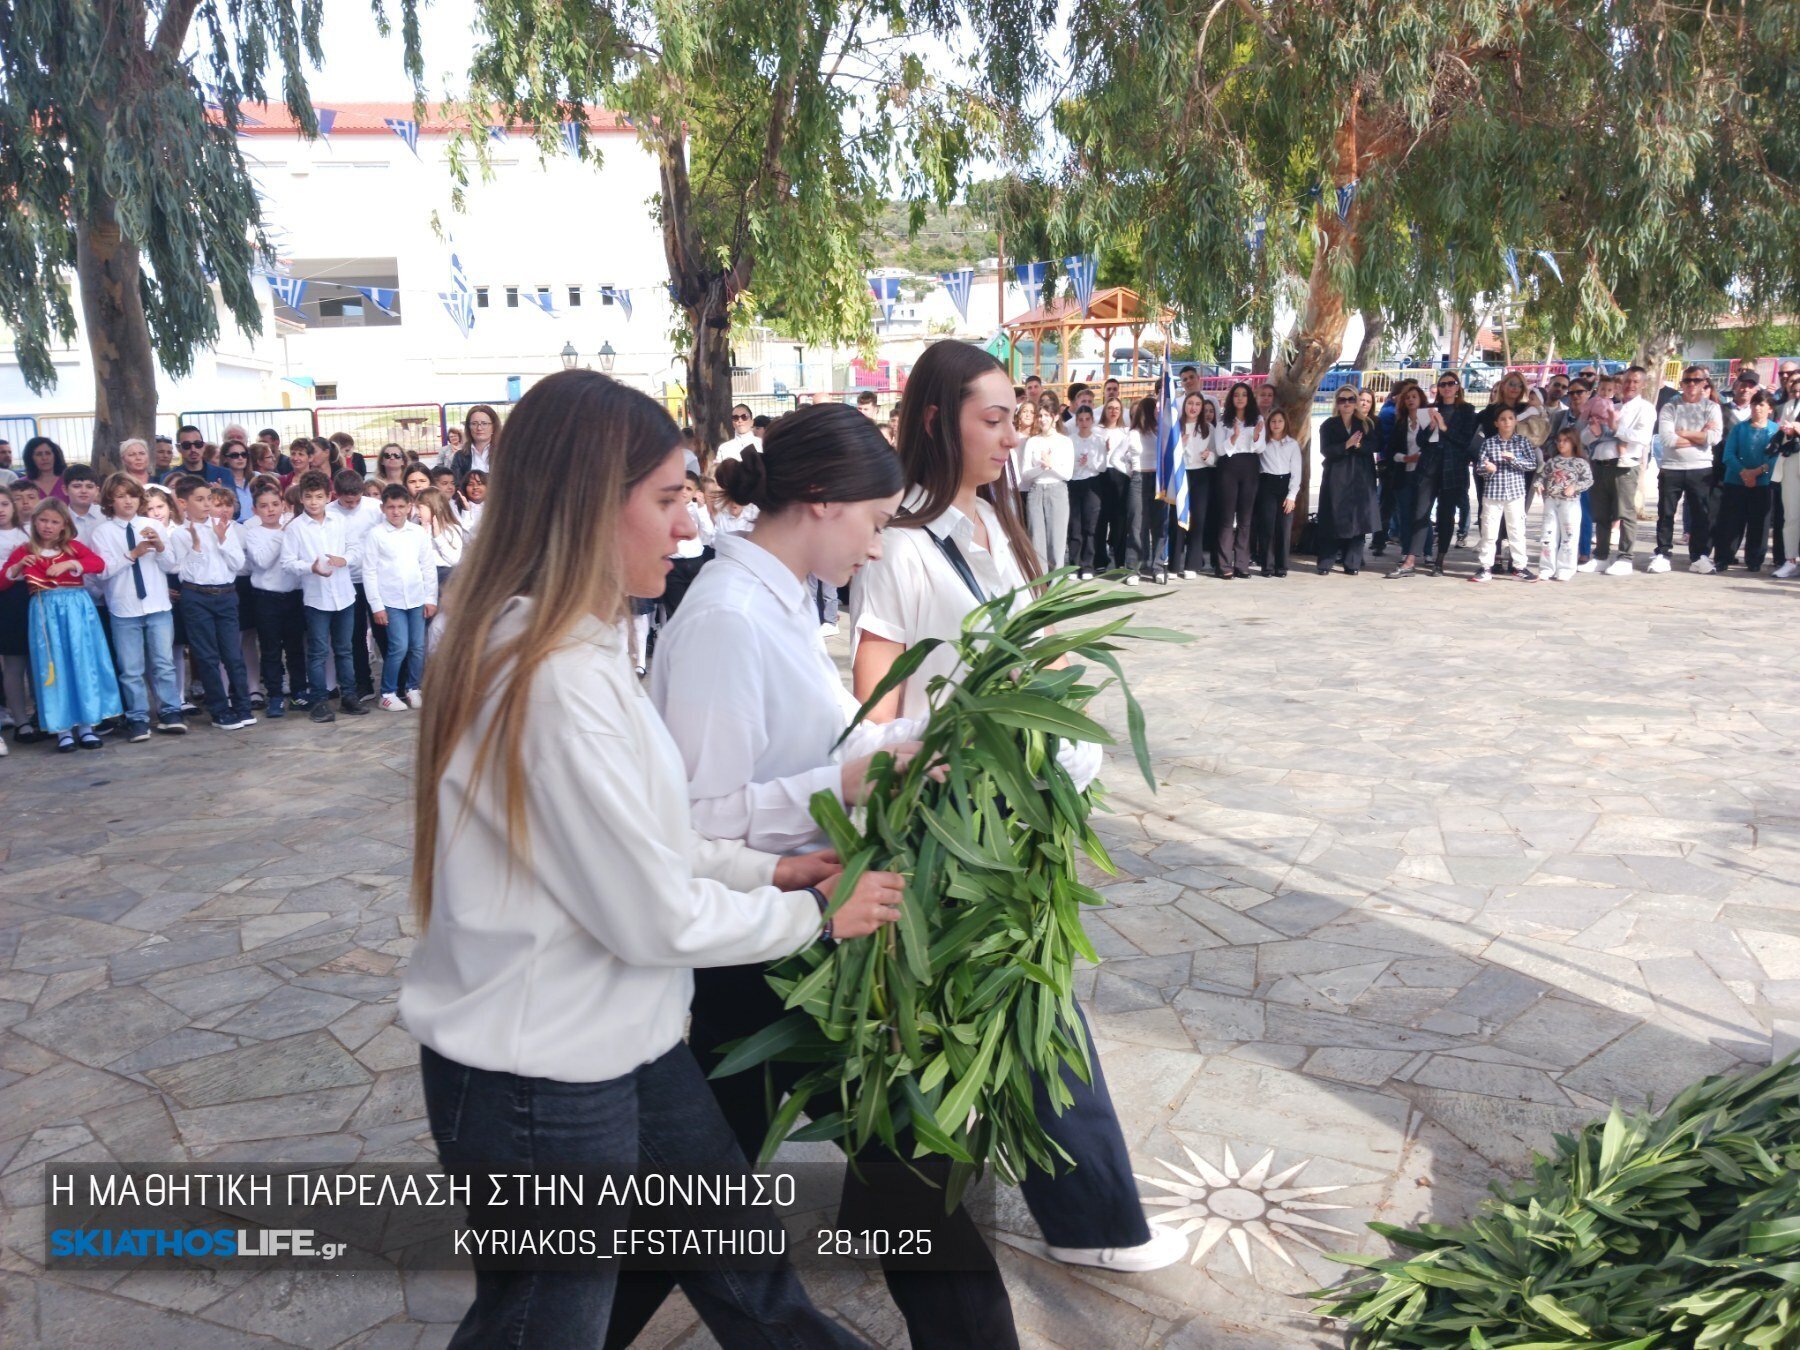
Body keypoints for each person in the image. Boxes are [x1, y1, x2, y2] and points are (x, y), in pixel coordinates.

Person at [399, 368, 898, 1348]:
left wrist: (773, 872)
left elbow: (652, 838)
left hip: (626, 1040)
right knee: (547, 1324)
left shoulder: (581, 649)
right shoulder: (546, 676)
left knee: (746, 1272)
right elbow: (651, 914)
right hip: (543, 1077)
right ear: (590, 504)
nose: (689, 528)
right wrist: (815, 919)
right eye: (669, 499)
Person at [616, 402, 1022, 1348]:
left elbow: (829, 739)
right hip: (768, 943)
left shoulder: (778, 599)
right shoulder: (724, 616)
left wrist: (943, 733)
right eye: (875, 522)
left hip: (813, 920)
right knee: (696, 1209)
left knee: (879, 1180)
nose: (879, 548)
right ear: (821, 501)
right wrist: (859, 775)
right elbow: (702, 817)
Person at [848, 338, 1185, 1276]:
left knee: (986, 1005)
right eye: (990, 419)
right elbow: (878, 684)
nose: (1010, 435)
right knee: (1024, 1001)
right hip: (953, 816)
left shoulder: (997, 528)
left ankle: (920, 1216)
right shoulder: (904, 546)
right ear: (934, 421)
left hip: (1020, 804)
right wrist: (902, 774)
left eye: (1012, 417)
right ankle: (1094, 1222)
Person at [1, 500, 121, 751]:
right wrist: (17, 568)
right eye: (43, 520)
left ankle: (87, 726)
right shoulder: (24, 550)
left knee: (82, 663)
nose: (48, 526)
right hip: (45, 612)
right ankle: (62, 730)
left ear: (64, 525)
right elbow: (3, 582)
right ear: (34, 521)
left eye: (55, 522)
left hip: (77, 610)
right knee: (53, 667)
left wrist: (70, 563)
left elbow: (98, 564)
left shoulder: (73, 548)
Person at [90, 474, 187, 740]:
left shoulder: (149, 524)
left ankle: (170, 711)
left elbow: (169, 565)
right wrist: (132, 555)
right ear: (110, 501)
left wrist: (158, 546)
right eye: (121, 496)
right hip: (124, 608)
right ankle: (138, 717)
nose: (128, 501)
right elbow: (102, 572)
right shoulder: (103, 532)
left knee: (163, 663)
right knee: (131, 668)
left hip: (157, 605)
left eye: (132, 495)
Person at [281, 470, 369, 723]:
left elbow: (355, 548)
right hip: (316, 597)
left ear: (328, 496)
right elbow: (287, 562)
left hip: (344, 594)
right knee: (318, 651)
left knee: (345, 649)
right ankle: (319, 700)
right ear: (301, 498)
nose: (314, 502)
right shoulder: (295, 528)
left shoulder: (339, 521)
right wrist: (310, 567)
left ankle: (349, 696)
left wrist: (346, 559)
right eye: (308, 497)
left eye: (319, 496)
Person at [176, 480, 256, 729]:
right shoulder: (180, 533)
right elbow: (183, 572)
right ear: (184, 504)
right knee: (208, 656)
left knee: (233, 654)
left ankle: (242, 705)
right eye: (200, 500)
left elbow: (237, 563)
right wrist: (197, 547)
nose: (207, 504)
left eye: (208, 499)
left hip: (226, 595)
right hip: (197, 596)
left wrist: (221, 540)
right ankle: (219, 709)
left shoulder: (224, 527)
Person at [363, 484, 438, 711]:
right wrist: (377, 606)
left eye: (400, 507)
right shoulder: (376, 535)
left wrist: (430, 598)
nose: (396, 511)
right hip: (390, 601)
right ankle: (387, 692)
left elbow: (427, 566)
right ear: (383, 509)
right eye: (391, 507)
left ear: (409, 507)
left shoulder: (417, 533)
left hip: (416, 599)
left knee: (417, 646)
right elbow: (370, 571)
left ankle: (412, 687)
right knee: (399, 646)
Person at [243, 478, 306, 719]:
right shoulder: (254, 533)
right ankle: (275, 695)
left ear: (283, 505)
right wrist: (282, 535)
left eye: (274, 504)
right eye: (264, 505)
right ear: (255, 510)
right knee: (270, 650)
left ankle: (299, 691)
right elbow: (261, 561)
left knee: (295, 647)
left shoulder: (292, 528)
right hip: (266, 597)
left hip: (292, 595)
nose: (270, 510)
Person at [1652, 366, 1724, 573]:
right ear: (1681, 383)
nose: (1692, 384)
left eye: (1696, 380)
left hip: (1700, 468)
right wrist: (1698, 435)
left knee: (1701, 515)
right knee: (1665, 513)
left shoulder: (1711, 407)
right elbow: (1667, 439)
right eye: (1688, 380)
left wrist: (1682, 433)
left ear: (1704, 384)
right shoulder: (1670, 407)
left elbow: (1714, 438)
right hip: (1671, 467)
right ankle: (1663, 553)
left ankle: (1699, 556)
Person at [326, 468, 383, 701]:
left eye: (356, 500)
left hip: (375, 577)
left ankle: (396, 682)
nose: (352, 505)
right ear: (335, 494)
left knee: (383, 631)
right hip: (347, 580)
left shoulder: (373, 508)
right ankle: (363, 682)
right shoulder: (329, 512)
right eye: (346, 501)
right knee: (354, 634)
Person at [1593, 366, 1655, 574]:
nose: (1630, 385)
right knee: (1601, 513)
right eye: (1627, 381)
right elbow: (1591, 434)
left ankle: (1625, 557)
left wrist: (1616, 428)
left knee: (1624, 512)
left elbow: (1642, 438)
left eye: (1636, 381)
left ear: (1643, 385)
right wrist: (1595, 431)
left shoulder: (1645, 408)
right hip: (1601, 463)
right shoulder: (1612, 405)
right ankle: (1601, 555)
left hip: (1624, 466)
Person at [1470, 405, 1541, 583]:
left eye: (1510, 418)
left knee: (1516, 530)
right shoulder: (1489, 443)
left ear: (1515, 421)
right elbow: (1479, 467)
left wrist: (1514, 459)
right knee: (1489, 531)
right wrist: (1488, 469)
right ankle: (1486, 566)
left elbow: (1532, 464)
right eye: (1503, 419)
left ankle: (1520, 566)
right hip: (1493, 493)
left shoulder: (1522, 442)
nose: (1507, 422)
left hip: (1515, 493)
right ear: (1496, 423)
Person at [1713, 390, 1780, 574]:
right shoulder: (1739, 428)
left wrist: (1758, 472)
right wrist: (1744, 472)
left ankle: (1754, 559)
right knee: (1731, 521)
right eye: (1754, 404)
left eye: (1761, 405)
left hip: (1763, 482)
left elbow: (1775, 457)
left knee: (1759, 522)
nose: (1757, 408)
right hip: (1736, 480)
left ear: (1770, 409)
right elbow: (1729, 455)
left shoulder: (1775, 430)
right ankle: (1724, 557)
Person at [1316, 388, 1380, 575]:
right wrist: (1346, 445)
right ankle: (1325, 563)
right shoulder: (1329, 425)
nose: (1347, 403)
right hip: (1336, 476)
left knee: (1358, 519)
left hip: (1360, 476)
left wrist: (1358, 445)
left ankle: (1352, 563)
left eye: (1351, 399)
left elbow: (1374, 445)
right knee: (1331, 519)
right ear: (1336, 402)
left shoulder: (1365, 423)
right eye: (1342, 399)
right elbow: (1325, 450)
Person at [1212, 381, 1262, 579]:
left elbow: (1261, 448)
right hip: (1228, 468)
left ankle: (1242, 564)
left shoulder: (1257, 419)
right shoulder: (1224, 421)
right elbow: (1219, 450)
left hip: (1249, 466)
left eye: (1244, 394)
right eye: (1236, 395)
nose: (1240, 398)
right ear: (1231, 399)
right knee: (1226, 518)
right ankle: (1224, 564)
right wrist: (1233, 437)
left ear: (1249, 398)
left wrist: (1256, 437)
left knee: (1245, 518)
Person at [1018, 399, 1073, 571]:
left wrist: (1051, 464)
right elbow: (1025, 474)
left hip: (1057, 490)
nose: (1042, 419)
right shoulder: (1033, 441)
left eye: (1047, 416)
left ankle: (1055, 584)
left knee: (1056, 541)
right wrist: (1041, 466)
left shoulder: (1065, 442)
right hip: (1036, 490)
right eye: (1040, 415)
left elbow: (1067, 474)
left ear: (1055, 417)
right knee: (1037, 541)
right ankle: (1040, 584)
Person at [1535, 429, 1593, 582]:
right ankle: (1546, 568)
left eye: (1565, 441)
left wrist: (1574, 487)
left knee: (1569, 536)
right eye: (1559, 441)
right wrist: (1539, 484)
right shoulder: (1553, 462)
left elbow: (1588, 480)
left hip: (1570, 503)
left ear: (1573, 442)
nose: (1561, 444)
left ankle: (1566, 568)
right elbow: (1542, 476)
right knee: (1548, 535)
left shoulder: (1580, 463)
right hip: (1551, 501)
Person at [0, 489, 34, 746]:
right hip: (6, 600)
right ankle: (21, 720)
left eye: (4, 504)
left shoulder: (28, 532)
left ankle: (43, 715)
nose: (0, 510)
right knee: (14, 663)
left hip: (32, 596)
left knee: (39, 660)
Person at [1254, 407, 1301, 578]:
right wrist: (1258, 435)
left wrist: (1292, 495)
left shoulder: (1292, 444)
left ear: (1285, 423)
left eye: (1280, 421)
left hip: (1285, 485)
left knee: (1284, 528)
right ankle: (1267, 566)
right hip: (1267, 484)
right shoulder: (1263, 444)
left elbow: (1297, 472)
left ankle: (1281, 567)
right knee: (1267, 527)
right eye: (1273, 421)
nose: (1276, 424)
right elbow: (1254, 449)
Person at [1173, 391, 1216, 578]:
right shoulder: (1177, 426)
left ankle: (1192, 564)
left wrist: (1209, 457)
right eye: (1190, 403)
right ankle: (1174, 564)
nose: (1194, 407)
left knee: (1198, 519)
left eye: (1198, 404)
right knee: (1178, 519)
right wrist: (1180, 446)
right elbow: (1170, 455)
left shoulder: (1208, 428)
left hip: (1200, 475)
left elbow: (1216, 455)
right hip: (1181, 475)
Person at [1068, 402, 1111, 577]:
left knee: (1090, 526)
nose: (1084, 422)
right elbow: (1068, 465)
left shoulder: (1098, 440)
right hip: (1074, 482)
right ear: (1076, 421)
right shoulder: (1071, 440)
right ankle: (1074, 565)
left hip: (1092, 483)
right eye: (1081, 419)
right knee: (1075, 526)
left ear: (1092, 420)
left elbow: (1101, 467)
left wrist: (1089, 463)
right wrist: (1079, 464)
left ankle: (1088, 565)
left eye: (1087, 419)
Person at [1124, 395, 1163, 584]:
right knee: (1136, 525)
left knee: (1158, 524)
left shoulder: (1161, 432)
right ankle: (1133, 569)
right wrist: (1131, 472)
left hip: (1158, 479)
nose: (1158, 412)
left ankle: (1158, 566)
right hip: (1139, 478)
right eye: (1155, 409)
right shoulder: (1133, 433)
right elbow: (1116, 457)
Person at [1098, 396, 1133, 571]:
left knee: (1120, 520)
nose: (1113, 411)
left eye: (1116, 408)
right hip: (1101, 475)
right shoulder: (1097, 430)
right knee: (1100, 519)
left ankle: (1120, 560)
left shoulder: (1126, 432)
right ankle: (1100, 560)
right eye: (1110, 408)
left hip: (1120, 476)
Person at [1775, 363, 1800, 578]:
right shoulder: (1788, 406)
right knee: (1791, 513)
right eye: (1795, 386)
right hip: (1791, 462)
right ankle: (1790, 559)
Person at [217, 438, 256, 520]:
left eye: (244, 454)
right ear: (225, 459)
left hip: (258, 525)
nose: (240, 458)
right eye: (234, 455)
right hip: (235, 526)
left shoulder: (257, 477)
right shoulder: (220, 482)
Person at [21, 436, 65, 500]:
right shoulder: (22, 484)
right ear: (30, 458)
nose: (44, 458)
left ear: (55, 456)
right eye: (39, 454)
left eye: (48, 453)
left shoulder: (68, 481)